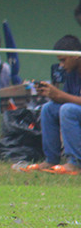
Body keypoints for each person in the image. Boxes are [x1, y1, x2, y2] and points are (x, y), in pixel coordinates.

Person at [24, 35, 81, 174]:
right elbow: (67, 98)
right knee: (48, 109)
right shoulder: (71, 73)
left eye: (63, 60)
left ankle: (75, 163)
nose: (61, 65)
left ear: (76, 56)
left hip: (73, 110)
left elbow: (67, 100)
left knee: (67, 110)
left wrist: (60, 95)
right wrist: (51, 94)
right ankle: (51, 159)